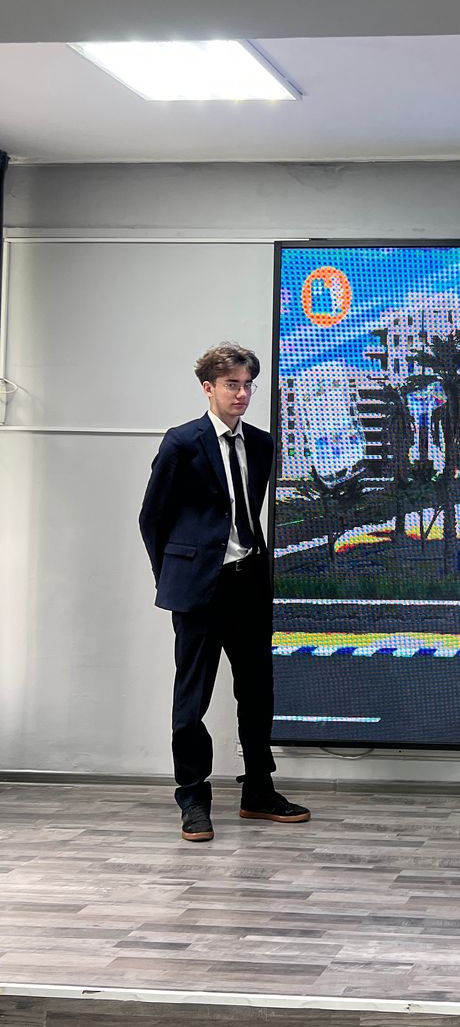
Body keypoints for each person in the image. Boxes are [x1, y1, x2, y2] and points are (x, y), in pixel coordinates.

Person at [139, 343, 309, 843]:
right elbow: (152, 518)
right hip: (198, 588)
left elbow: (246, 513)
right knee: (192, 697)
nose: (242, 393)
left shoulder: (261, 443)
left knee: (257, 692)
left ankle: (258, 790)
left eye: (247, 385)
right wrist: (173, 576)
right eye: (232, 384)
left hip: (247, 582)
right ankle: (193, 796)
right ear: (208, 388)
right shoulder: (182, 442)